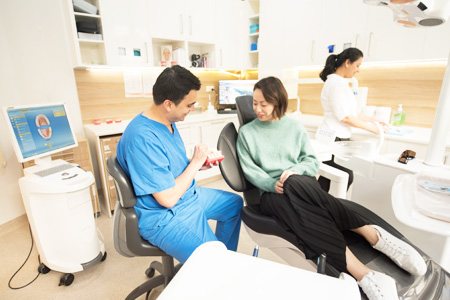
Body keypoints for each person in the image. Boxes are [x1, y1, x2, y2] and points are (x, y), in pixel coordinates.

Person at [236, 76, 426, 300]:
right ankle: (371, 245)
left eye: (263, 104)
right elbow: (251, 171)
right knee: (299, 206)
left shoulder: (294, 127)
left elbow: (311, 161)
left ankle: (369, 271)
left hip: (300, 184)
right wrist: (272, 183)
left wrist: (294, 171)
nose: (257, 108)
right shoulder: (247, 133)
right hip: (271, 193)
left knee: (298, 197)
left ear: (277, 101)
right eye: (254, 103)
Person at [116, 65, 243, 264]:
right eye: (189, 105)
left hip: (188, 196)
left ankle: (216, 265)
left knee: (234, 205)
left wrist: (197, 164)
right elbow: (167, 198)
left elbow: (168, 166)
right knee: (215, 260)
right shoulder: (142, 137)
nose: (192, 109)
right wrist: (194, 163)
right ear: (168, 104)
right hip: (164, 215)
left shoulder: (168, 121)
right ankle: (216, 265)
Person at [318, 47, 387, 192]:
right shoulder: (335, 84)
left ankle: (317, 208)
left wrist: (374, 120)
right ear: (347, 62)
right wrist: (372, 128)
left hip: (337, 137)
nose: (358, 70)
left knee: (328, 180)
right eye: (357, 65)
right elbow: (345, 117)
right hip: (332, 137)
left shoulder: (341, 83)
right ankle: (321, 208)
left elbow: (352, 113)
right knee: (343, 176)